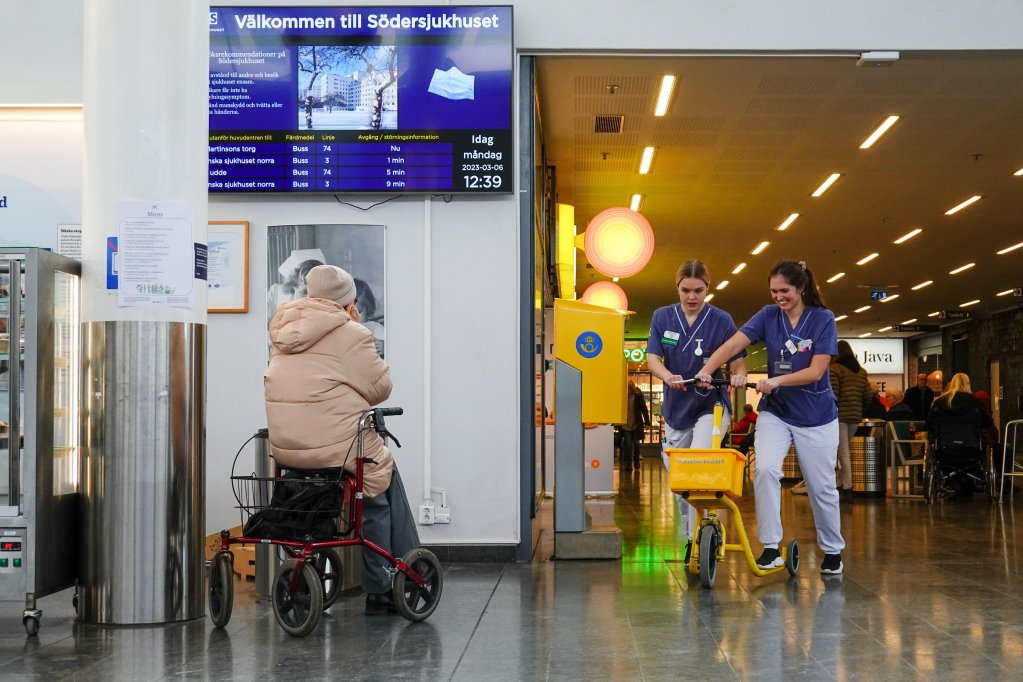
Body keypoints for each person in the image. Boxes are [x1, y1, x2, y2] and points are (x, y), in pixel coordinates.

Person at [264, 264, 420, 614]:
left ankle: (308, 572)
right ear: (349, 300)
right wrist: (356, 326)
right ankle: (388, 583)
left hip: (289, 449)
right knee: (380, 485)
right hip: (338, 447)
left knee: (348, 480)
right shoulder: (353, 334)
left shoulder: (283, 328)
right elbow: (380, 388)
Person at [695, 259, 845, 576]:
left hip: (816, 415)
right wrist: (707, 370)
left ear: (801, 288)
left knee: (821, 487)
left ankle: (832, 551)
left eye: (785, 290)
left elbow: (816, 371)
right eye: (774, 291)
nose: (779, 297)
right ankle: (771, 548)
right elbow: (734, 343)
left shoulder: (822, 319)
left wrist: (776, 380)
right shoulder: (768, 316)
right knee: (763, 470)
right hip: (776, 410)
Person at [646, 260, 747, 547]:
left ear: (708, 290)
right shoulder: (662, 317)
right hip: (676, 408)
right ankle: (691, 536)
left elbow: (739, 363)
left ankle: (703, 535)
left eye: (698, 291)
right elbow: (653, 357)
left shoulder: (721, 320)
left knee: (700, 465)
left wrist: (738, 378)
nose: (692, 297)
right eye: (685, 290)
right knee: (681, 480)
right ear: (677, 288)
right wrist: (667, 376)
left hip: (710, 404)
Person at [829, 340, 877, 498]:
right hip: (855, 417)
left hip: (839, 416)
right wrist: (859, 410)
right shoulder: (861, 372)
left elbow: (833, 395)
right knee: (841, 451)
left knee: (842, 452)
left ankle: (847, 488)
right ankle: (840, 483)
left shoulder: (835, 369)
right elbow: (869, 395)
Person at [266, 248, 326, 324]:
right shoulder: (275, 294)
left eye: (316, 292)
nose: (309, 298)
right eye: (305, 292)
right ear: (293, 286)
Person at [620, 380, 650, 470]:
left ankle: (636, 461)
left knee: (636, 444)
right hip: (625, 425)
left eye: (629, 389)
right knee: (628, 445)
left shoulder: (638, 396)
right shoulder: (622, 396)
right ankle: (628, 464)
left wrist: (647, 422)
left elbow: (644, 409)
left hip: (636, 424)